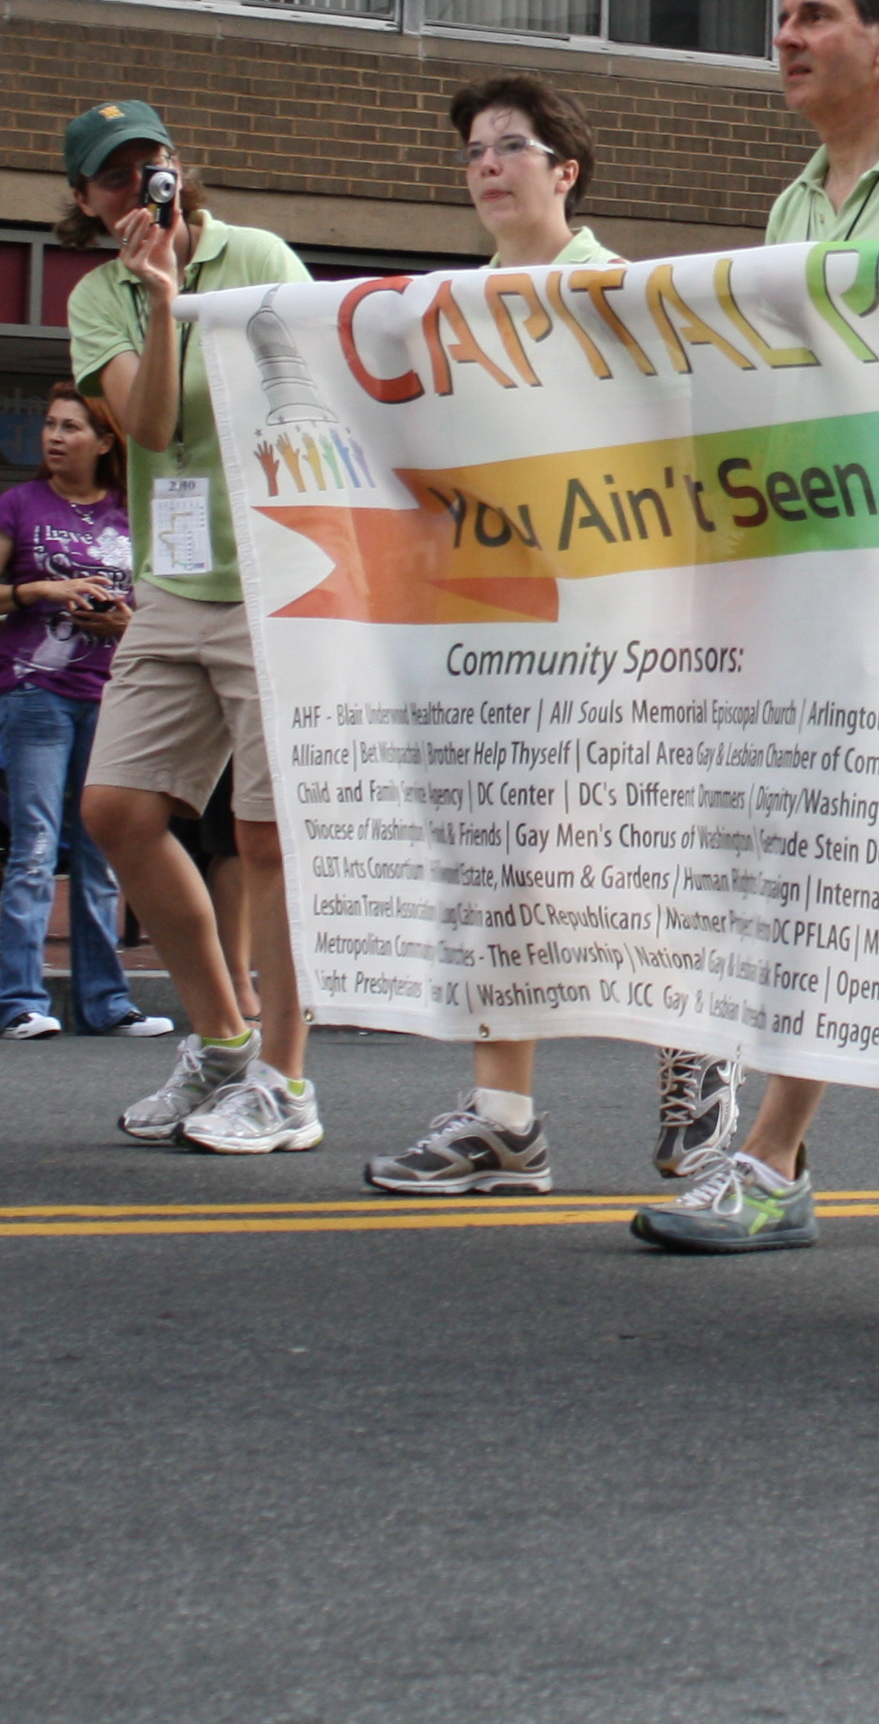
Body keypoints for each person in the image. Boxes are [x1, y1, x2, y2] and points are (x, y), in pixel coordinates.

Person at [630, 0, 879, 1255]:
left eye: (814, 17)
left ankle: (774, 1157)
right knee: (826, 867)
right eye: (781, 17)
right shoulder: (795, 200)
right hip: (807, 582)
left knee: (846, 869)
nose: (786, 38)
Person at [368, 77, 745, 1196]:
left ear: (563, 171)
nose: (488, 166)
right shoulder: (443, 312)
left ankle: (695, 1041)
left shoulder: (623, 297)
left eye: (511, 147)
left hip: (619, 626)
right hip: (493, 624)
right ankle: (503, 1120)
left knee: (614, 858)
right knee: (501, 866)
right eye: (474, 151)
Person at [58, 101, 322, 1149]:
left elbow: (317, 387)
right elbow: (153, 426)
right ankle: (220, 1038)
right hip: (176, 581)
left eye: (151, 168)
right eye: (115, 180)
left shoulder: (258, 255)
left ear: (179, 171)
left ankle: (285, 1083)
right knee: (119, 808)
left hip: (279, 575)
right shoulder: (100, 298)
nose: (140, 190)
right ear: (86, 203)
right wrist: (161, 301)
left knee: (265, 835)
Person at [0, 384, 165, 1041]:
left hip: (112, 693)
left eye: (71, 427)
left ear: (105, 441)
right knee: (36, 847)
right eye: (49, 424)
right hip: (34, 692)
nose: (54, 437)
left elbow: (164, 611)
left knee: (105, 853)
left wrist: (124, 623)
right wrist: (40, 589)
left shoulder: (137, 513)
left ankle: (105, 1004)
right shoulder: (18, 505)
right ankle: (21, 1001)